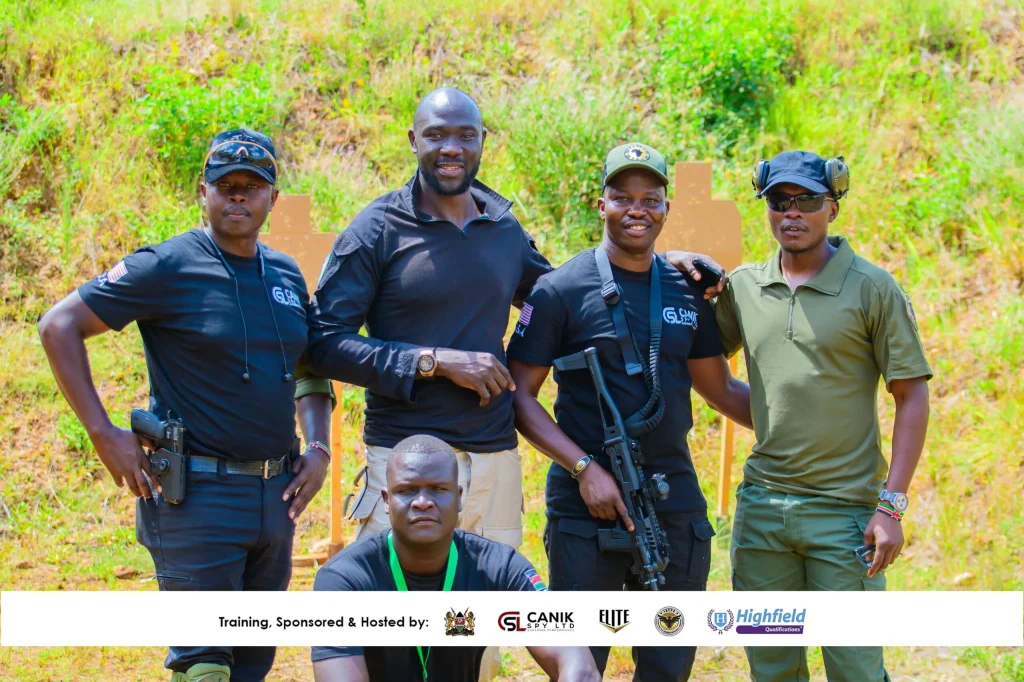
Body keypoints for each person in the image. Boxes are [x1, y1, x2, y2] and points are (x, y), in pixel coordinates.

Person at [301, 88, 725, 550]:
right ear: (412, 140)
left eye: (466, 136)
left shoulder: (503, 228)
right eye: (436, 135)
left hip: (494, 462)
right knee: (402, 596)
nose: (451, 148)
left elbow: (569, 297)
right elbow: (322, 344)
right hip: (406, 459)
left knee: (491, 596)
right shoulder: (376, 229)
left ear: (483, 140)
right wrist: (433, 361)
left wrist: (658, 262)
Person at [37, 129, 334, 682]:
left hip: (276, 498)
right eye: (225, 185)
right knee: (204, 667)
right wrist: (103, 433)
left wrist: (318, 447)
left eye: (252, 186)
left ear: (273, 198)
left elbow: (310, 366)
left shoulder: (286, 275)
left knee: (250, 665)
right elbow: (59, 326)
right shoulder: (166, 266)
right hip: (197, 498)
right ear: (203, 191)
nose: (238, 195)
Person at [506, 142, 753, 681]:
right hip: (586, 510)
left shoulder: (687, 290)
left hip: (673, 504)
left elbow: (723, 390)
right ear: (601, 206)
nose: (636, 210)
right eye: (622, 198)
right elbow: (520, 396)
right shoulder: (559, 291)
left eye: (650, 199)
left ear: (666, 208)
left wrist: (808, 425)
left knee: (668, 668)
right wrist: (582, 469)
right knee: (579, 666)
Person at [715, 151, 932, 682]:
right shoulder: (743, 287)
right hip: (763, 514)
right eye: (779, 200)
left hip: (845, 517)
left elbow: (911, 396)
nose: (792, 212)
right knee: (772, 669)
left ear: (833, 207)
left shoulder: (872, 288)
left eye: (808, 200)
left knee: (855, 670)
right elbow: (707, 371)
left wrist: (892, 506)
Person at [311, 434, 600, 682]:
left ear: (459, 497)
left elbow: (578, 664)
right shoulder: (343, 580)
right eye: (407, 490)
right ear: (386, 501)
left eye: (437, 489)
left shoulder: (499, 567)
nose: (423, 502)